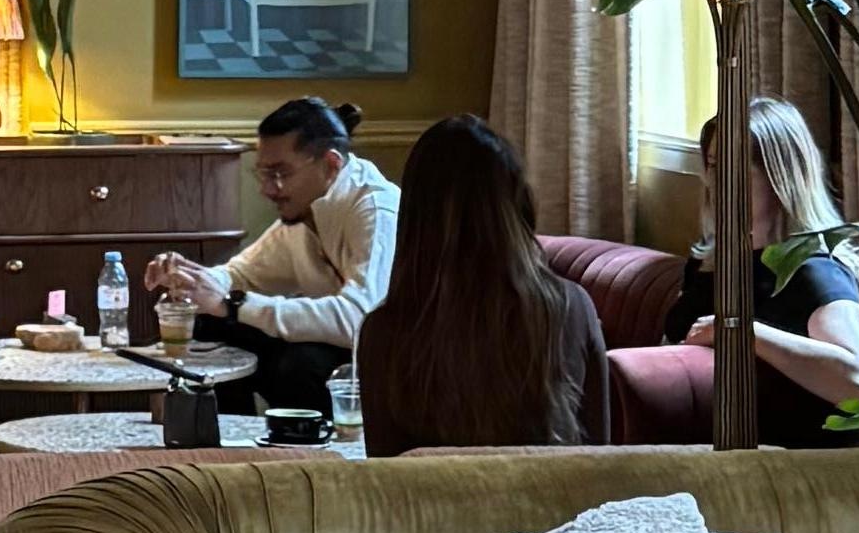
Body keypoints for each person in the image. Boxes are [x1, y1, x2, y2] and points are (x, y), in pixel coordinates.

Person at [353, 114, 616, 455]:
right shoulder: (570, 307)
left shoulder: (384, 333)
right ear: (517, 206)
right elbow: (599, 459)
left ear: (415, 217)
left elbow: (387, 474)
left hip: (437, 493)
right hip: (552, 491)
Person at [149, 94, 398, 409]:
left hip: (389, 360)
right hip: (340, 345)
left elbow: (361, 321)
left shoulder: (376, 209)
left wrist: (233, 305)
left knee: (299, 366)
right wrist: (193, 279)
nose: (267, 189)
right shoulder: (307, 211)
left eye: (280, 174)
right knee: (206, 326)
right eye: (264, 174)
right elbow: (241, 274)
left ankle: (308, 442)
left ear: (331, 165)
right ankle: (224, 433)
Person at [674, 96, 859, 438]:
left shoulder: (812, 270)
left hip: (789, 460)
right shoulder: (709, 260)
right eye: (714, 165)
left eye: (737, 168)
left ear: (781, 177)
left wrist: (742, 330)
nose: (720, 181)